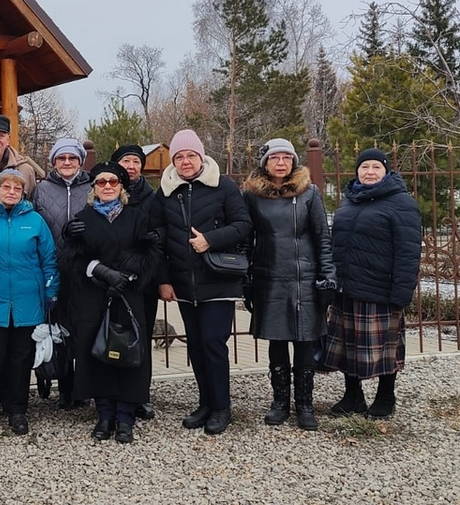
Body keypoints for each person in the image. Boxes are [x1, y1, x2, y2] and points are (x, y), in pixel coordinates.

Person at [157, 129, 251, 435]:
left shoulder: (223, 186)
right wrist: (164, 280)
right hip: (184, 283)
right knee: (196, 346)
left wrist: (210, 239)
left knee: (212, 343)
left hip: (217, 279)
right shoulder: (166, 191)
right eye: (179, 157)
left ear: (201, 156)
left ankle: (222, 407)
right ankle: (205, 403)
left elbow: (243, 225)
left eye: (191, 155)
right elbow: (158, 239)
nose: (185, 161)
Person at [60, 162, 162, 444]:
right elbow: (73, 257)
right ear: (94, 187)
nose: (107, 186)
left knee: (128, 353)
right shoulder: (83, 218)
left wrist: (126, 276)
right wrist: (102, 272)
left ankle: (126, 417)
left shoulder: (136, 216)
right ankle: (105, 414)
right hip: (94, 295)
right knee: (97, 353)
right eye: (101, 182)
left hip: (128, 294)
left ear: (121, 186)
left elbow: (148, 251)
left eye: (113, 182)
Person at [241, 138, 336, 431]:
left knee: (305, 342)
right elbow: (246, 239)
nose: (280, 163)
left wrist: (328, 276)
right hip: (269, 277)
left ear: (294, 161)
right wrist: (247, 278)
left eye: (286, 157)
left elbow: (322, 237)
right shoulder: (252, 195)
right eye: (274, 158)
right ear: (265, 163)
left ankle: (304, 404)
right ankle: (280, 401)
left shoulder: (309, 193)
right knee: (277, 341)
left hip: (304, 278)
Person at [320, 148, 422, 420]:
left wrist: (402, 291)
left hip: (380, 289)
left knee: (385, 347)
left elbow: (408, 252)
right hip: (346, 287)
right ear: (357, 171)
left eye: (376, 167)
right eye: (364, 167)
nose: (370, 172)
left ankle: (386, 396)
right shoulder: (349, 201)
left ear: (386, 171)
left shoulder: (401, 204)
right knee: (347, 345)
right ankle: (353, 396)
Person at [0, 169, 58, 436]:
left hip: (28, 302)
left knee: (20, 358)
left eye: (17, 189)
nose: (12, 192)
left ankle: (17, 410)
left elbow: (49, 260)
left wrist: (51, 291)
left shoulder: (35, 221)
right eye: (7, 187)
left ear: (23, 193)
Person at [31, 137, 91, 408]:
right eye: (61, 158)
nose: (67, 162)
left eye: (72, 158)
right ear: (54, 162)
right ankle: (62, 384)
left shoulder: (92, 186)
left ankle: (84, 386)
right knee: (58, 327)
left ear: (80, 161)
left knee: (84, 326)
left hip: (84, 268)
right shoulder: (42, 189)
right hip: (52, 267)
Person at [111, 144, 165, 421]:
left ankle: (140, 395)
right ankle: (111, 392)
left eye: (135, 161)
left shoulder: (152, 198)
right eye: (125, 161)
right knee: (112, 335)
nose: (131, 166)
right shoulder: (108, 191)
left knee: (140, 337)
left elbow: (160, 236)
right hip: (111, 279)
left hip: (143, 280)